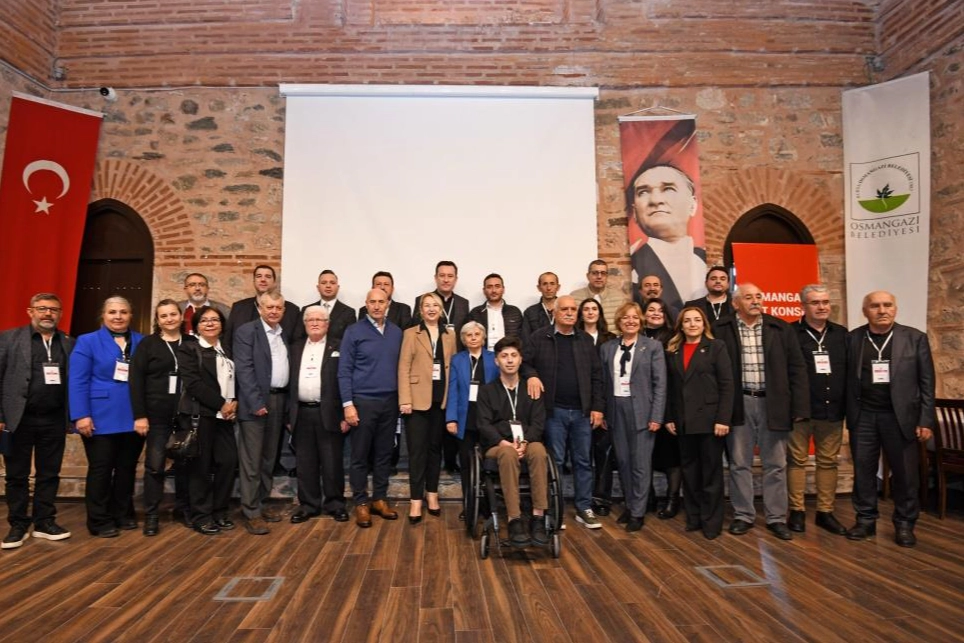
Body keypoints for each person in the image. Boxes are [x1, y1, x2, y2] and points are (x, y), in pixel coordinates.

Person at [714, 283, 809, 541]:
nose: (755, 301)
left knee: (776, 464)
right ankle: (743, 515)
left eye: (758, 296)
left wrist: (799, 407)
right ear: (735, 303)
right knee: (739, 463)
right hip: (739, 403)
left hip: (774, 404)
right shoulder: (720, 329)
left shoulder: (780, 328)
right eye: (748, 297)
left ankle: (776, 517)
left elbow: (797, 368)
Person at [845, 291, 934, 547]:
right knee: (863, 472)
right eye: (875, 306)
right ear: (865, 311)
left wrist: (925, 420)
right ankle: (865, 520)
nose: (882, 310)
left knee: (906, 475)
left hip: (901, 418)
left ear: (895, 309)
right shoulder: (853, 338)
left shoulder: (915, 338)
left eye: (887, 305)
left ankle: (905, 524)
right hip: (863, 417)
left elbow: (927, 383)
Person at [523, 295, 605, 529]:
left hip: (582, 412)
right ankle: (554, 509)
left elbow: (597, 376)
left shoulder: (585, 340)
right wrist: (532, 376)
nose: (569, 313)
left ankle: (584, 507)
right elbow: (525, 363)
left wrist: (598, 407)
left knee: (583, 461)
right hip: (553, 412)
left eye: (573, 309)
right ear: (554, 312)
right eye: (564, 309)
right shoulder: (539, 337)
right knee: (555, 461)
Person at [0, 293, 74, 548]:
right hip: (18, 419)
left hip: (54, 419)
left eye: (53, 309)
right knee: (16, 475)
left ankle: (44, 522)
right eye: (42, 308)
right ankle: (18, 525)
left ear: (60, 314)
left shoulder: (68, 343)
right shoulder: (9, 339)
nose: (48, 314)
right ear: (30, 311)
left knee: (49, 473)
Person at [69, 296, 144, 538]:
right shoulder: (87, 341)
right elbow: (78, 380)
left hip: (134, 415)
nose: (118, 316)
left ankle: (123, 513)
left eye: (123, 312)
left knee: (126, 468)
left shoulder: (142, 341)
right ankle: (99, 520)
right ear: (103, 315)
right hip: (99, 416)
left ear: (131, 315)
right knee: (101, 469)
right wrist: (81, 415)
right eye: (112, 312)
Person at [664, 306, 734, 540]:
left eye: (697, 320)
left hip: (710, 422)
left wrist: (723, 418)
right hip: (683, 421)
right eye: (687, 321)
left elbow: (727, 385)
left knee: (711, 475)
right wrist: (669, 417)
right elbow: (671, 388)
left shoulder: (716, 347)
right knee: (690, 473)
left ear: (704, 324)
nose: (692, 324)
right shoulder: (673, 351)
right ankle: (694, 518)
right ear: (681, 326)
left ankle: (711, 523)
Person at [128, 299, 196, 536]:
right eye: (163, 316)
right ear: (157, 320)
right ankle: (152, 515)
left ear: (181, 316)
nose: (169, 319)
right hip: (157, 416)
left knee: (186, 465)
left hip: (186, 415)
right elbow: (136, 381)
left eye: (173, 314)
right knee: (155, 467)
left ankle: (183, 509)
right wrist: (140, 415)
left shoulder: (191, 343)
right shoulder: (148, 344)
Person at [339, 288, 403, 528]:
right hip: (363, 401)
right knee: (360, 455)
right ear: (366, 304)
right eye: (372, 302)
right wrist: (348, 405)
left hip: (390, 402)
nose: (377, 306)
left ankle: (379, 498)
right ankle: (361, 502)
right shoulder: (354, 331)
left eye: (381, 302)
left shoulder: (396, 332)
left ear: (388, 304)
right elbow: (344, 370)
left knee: (384, 454)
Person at [599, 303, 666, 531]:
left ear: (641, 321)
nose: (630, 321)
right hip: (615, 409)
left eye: (635, 317)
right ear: (619, 322)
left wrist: (656, 416)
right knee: (624, 462)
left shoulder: (653, 347)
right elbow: (603, 383)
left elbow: (660, 384)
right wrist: (604, 411)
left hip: (642, 411)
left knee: (640, 464)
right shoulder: (608, 348)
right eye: (625, 318)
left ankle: (638, 511)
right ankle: (630, 505)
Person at [477, 337, 549, 548]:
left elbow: (538, 422)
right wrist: (504, 443)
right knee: (508, 454)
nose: (509, 360)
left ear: (520, 359)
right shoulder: (487, 391)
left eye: (513, 355)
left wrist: (525, 442)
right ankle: (514, 519)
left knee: (539, 450)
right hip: (498, 446)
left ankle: (538, 516)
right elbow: (483, 424)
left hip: (527, 442)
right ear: (496, 361)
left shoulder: (531, 388)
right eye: (504, 356)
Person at [789, 284, 848, 535]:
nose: (822, 307)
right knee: (796, 461)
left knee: (828, 461)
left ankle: (825, 512)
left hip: (832, 410)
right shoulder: (790, 333)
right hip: (800, 411)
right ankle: (797, 511)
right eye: (815, 302)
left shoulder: (841, 334)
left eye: (825, 302)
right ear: (803, 306)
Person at [233, 290, 291, 535]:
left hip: (278, 400)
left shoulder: (282, 333)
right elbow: (244, 370)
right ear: (259, 308)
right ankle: (251, 511)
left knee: (268, 459)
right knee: (252, 462)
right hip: (255, 403)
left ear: (283, 310)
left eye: (278, 307)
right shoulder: (247, 332)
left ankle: (261, 502)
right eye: (269, 307)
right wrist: (256, 402)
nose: (274, 311)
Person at [177, 306, 239, 534]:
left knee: (228, 462)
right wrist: (221, 403)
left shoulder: (227, 349)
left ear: (222, 325)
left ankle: (219, 511)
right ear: (196, 326)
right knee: (200, 468)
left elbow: (236, 379)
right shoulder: (189, 349)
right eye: (204, 320)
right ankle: (201, 516)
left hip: (226, 416)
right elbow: (193, 384)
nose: (210, 323)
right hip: (201, 415)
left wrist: (235, 402)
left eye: (215, 320)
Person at [398, 292, 457, 523]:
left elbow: (452, 368)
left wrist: (452, 402)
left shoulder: (450, 335)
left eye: (436, 305)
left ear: (441, 310)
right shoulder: (411, 333)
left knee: (435, 450)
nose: (431, 309)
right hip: (416, 402)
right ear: (420, 310)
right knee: (417, 452)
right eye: (427, 305)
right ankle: (415, 500)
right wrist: (405, 399)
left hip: (440, 401)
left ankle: (432, 494)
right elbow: (403, 368)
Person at [288, 306, 349, 524]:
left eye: (319, 319)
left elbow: (346, 379)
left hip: (330, 413)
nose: (315, 323)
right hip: (301, 413)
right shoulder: (294, 347)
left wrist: (345, 414)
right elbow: (287, 382)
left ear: (327, 324)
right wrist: (288, 416)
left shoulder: (339, 346)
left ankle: (336, 504)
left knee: (332, 462)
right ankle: (308, 505)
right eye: (310, 320)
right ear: (304, 324)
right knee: (305, 463)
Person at [627, 164, 707, 311]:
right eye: (643, 192)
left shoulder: (702, 260)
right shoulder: (633, 270)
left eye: (669, 189)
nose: (656, 200)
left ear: (692, 204)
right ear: (635, 212)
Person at [445, 321, 498, 517]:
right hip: (465, 417)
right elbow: (452, 390)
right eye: (469, 335)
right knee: (467, 465)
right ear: (463, 339)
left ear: (484, 337)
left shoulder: (494, 358)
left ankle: (488, 505)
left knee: (488, 464)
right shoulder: (457, 360)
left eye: (477, 334)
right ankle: (469, 506)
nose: (473, 338)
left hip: (489, 419)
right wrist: (451, 418)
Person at [576, 297, 616, 517]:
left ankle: (601, 498)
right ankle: (581, 498)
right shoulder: (574, 337)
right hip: (579, 404)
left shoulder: (610, 339)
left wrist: (603, 409)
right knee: (582, 455)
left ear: (600, 313)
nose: (590, 312)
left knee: (603, 454)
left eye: (594, 309)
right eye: (586, 309)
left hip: (604, 402)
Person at [642, 298, 680, 518]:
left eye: (660, 310)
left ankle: (672, 500)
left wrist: (669, 414)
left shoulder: (674, 338)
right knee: (644, 456)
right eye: (651, 309)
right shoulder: (635, 336)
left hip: (667, 405)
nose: (656, 313)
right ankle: (648, 497)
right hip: (642, 405)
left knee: (671, 457)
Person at [223, 265, 300, 351]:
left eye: (268, 276)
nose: (263, 280)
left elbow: (296, 344)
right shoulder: (238, 308)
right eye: (259, 276)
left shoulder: (292, 310)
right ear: (254, 281)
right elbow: (227, 341)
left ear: (274, 282)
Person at [296, 269, 357, 342]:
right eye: (324, 283)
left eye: (332, 283)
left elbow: (351, 340)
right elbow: (298, 337)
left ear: (338, 287)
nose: (328, 286)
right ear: (318, 287)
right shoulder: (307, 309)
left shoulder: (348, 312)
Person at [468, 274, 524, 351]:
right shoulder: (475, 313)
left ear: (503, 289)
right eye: (489, 287)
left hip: (508, 356)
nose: (494, 290)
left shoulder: (514, 312)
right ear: (484, 290)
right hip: (484, 356)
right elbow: (469, 337)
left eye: (497, 286)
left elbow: (522, 338)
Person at [413, 260, 470, 335]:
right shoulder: (421, 300)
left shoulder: (463, 303)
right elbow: (416, 330)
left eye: (450, 276)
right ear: (436, 278)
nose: (446, 280)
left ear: (456, 279)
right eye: (442, 275)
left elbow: (466, 333)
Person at [570, 259, 628, 329]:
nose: (599, 277)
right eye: (595, 273)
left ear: (607, 276)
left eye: (603, 273)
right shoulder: (574, 297)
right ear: (588, 276)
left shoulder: (619, 298)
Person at [522, 272, 559, 339]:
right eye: (545, 284)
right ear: (539, 287)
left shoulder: (566, 310)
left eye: (552, 283)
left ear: (558, 287)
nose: (549, 288)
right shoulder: (530, 312)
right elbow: (526, 338)